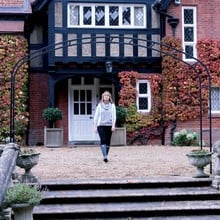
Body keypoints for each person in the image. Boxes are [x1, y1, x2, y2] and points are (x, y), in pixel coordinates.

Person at [94, 91, 116, 163]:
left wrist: (113, 125)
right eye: (105, 96)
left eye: (107, 96)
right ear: (102, 97)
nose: (106, 97)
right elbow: (96, 117)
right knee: (103, 139)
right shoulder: (99, 106)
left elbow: (114, 116)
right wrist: (95, 126)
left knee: (108, 141)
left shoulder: (112, 106)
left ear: (109, 97)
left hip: (109, 125)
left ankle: (106, 154)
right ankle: (105, 156)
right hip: (101, 125)